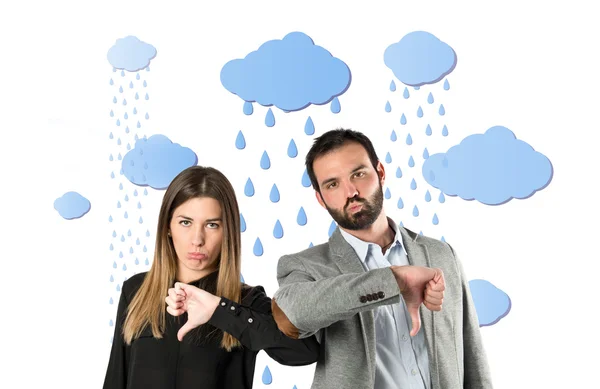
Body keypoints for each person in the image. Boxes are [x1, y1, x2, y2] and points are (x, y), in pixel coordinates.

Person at [270, 129, 493, 389]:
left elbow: (472, 354)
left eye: (358, 174)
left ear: (381, 173)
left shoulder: (441, 255)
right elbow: (291, 312)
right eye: (333, 184)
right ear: (321, 199)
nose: (350, 191)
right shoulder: (306, 266)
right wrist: (394, 280)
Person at [103, 166, 319, 389]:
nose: (197, 239)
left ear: (227, 231)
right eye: (185, 222)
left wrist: (220, 310)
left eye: (212, 224)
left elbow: (305, 352)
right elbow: (115, 379)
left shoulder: (246, 301)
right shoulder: (136, 290)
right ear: (168, 226)